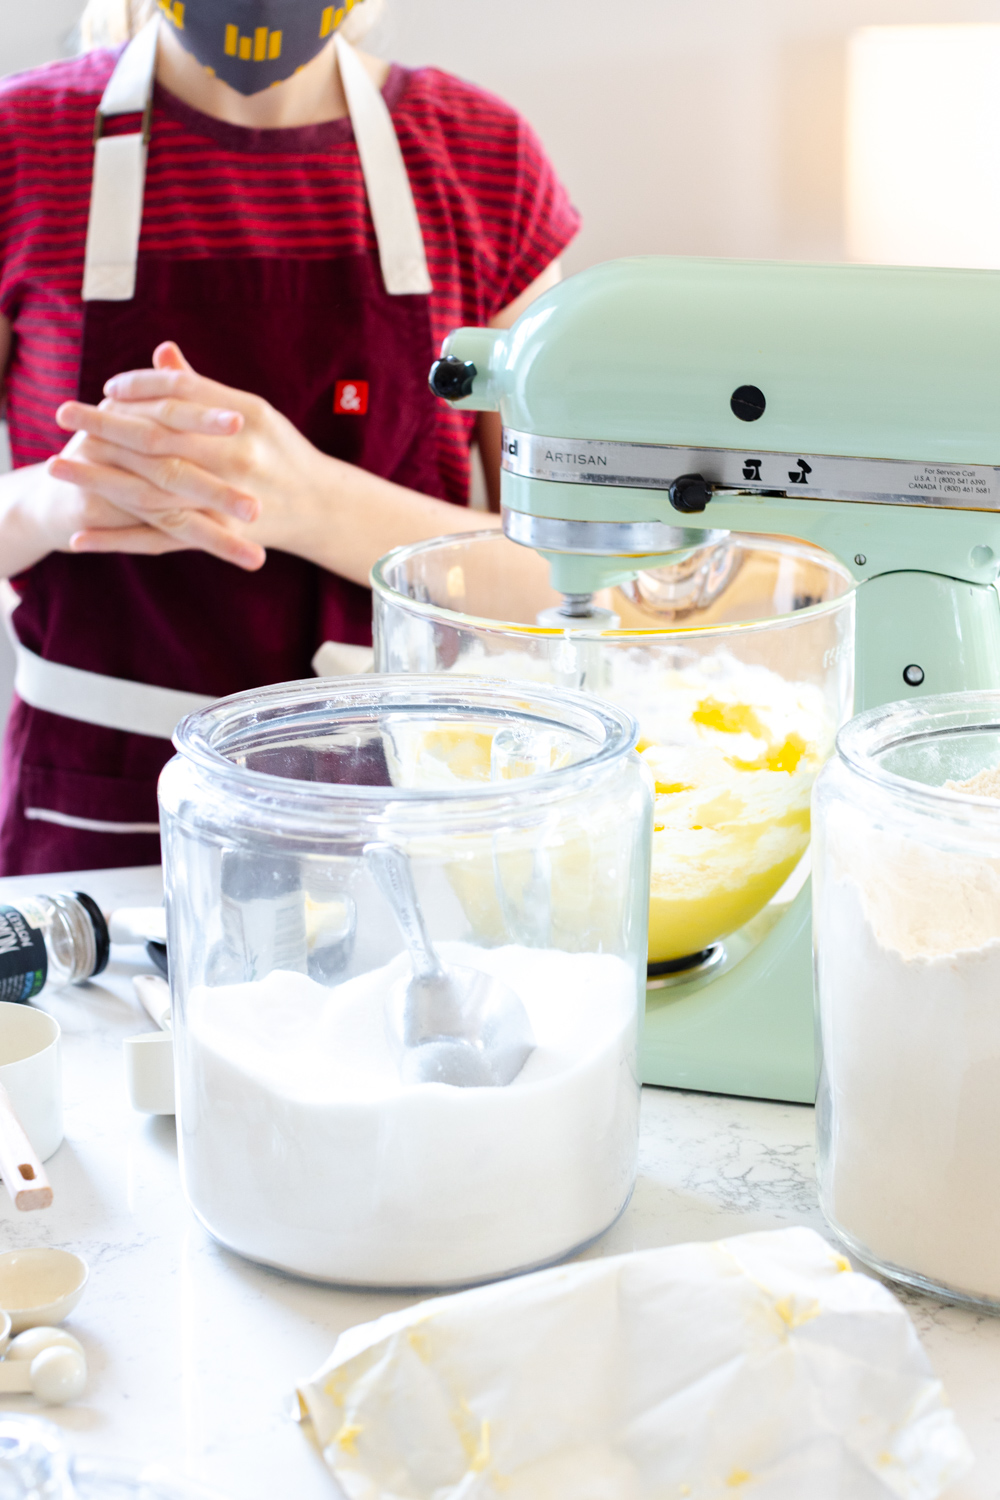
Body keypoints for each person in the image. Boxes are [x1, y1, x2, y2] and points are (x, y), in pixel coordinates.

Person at [0, 0, 578, 874]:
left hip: (407, 824)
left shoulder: (480, 158)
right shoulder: (22, 144)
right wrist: (57, 499)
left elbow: (574, 580)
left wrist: (309, 504)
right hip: (97, 823)